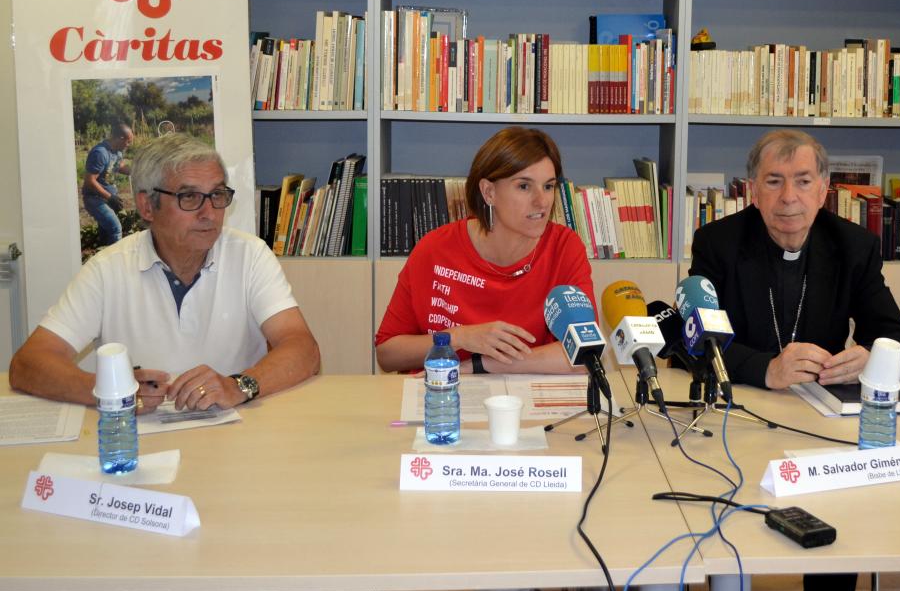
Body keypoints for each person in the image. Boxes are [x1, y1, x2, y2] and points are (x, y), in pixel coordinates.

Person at [689, 129, 900, 591]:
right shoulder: (718, 243)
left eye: (803, 180)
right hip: (740, 419)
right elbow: (692, 342)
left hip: (820, 424)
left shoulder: (853, 245)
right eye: (774, 181)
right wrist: (765, 368)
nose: (789, 197)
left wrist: (871, 358)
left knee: (838, 524)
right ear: (753, 190)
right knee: (733, 530)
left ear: (824, 188)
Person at [10, 134, 321, 413]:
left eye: (217, 195)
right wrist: (111, 391)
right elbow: (28, 364)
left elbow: (303, 348)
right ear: (147, 206)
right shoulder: (107, 268)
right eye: (189, 197)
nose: (209, 213)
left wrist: (238, 386)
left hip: (236, 428)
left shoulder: (250, 255)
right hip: (141, 439)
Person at [375, 126, 594, 375]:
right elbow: (387, 354)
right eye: (524, 186)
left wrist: (480, 365)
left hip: (523, 396)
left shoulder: (565, 248)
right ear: (489, 192)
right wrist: (459, 337)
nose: (542, 202)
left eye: (548, 186)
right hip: (444, 394)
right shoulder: (435, 249)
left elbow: (586, 353)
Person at [82, 121, 134, 246]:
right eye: (128, 142)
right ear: (120, 138)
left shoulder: (117, 151)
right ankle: (115, 257)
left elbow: (119, 166)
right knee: (115, 229)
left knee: (105, 231)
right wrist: (110, 197)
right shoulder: (100, 153)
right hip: (95, 199)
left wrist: (137, 171)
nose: (129, 145)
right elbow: (90, 181)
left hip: (106, 198)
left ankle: (102, 251)